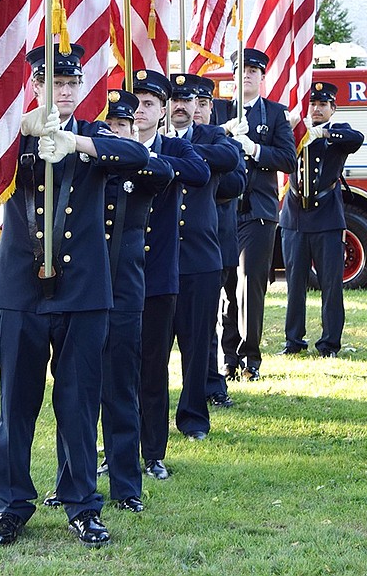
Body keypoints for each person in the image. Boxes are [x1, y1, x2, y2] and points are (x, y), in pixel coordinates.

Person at [0, 44, 148, 549]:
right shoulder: (11, 137)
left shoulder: (95, 135)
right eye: (54, 82)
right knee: (17, 404)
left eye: (72, 83)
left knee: (78, 403)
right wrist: (25, 133)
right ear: (35, 86)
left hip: (81, 293)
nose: (65, 90)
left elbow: (138, 155)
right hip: (20, 289)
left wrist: (75, 142)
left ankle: (82, 504)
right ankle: (12, 505)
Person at [127, 69, 210, 480]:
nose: (140, 111)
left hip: (158, 276)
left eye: (149, 104)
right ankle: (118, 451)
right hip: (117, 277)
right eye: (135, 103)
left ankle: (152, 452)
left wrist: (154, 160)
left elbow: (200, 174)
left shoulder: (176, 149)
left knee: (154, 369)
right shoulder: (113, 143)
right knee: (118, 370)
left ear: (162, 112)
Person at [98, 89, 174, 512]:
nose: (116, 133)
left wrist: (123, 152)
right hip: (86, 289)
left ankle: (126, 485)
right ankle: (71, 478)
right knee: (78, 390)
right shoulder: (87, 166)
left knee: (123, 386)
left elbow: (159, 171)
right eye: (109, 127)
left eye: (124, 127)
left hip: (126, 290)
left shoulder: (146, 168)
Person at [169, 73, 239, 439]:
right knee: (150, 349)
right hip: (158, 259)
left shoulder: (212, 138)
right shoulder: (152, 139)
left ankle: (194, 417)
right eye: (175, 98)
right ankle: (145, 419)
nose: (182, 105)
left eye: (190, 99)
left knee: (197, 346)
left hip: (200, 257)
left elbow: (230, 160)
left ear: (200, 105)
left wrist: (181, 152)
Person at [223, 48, 297, 381]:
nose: (247, 75)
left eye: (254, 70)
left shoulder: (276, 114)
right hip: (223, 210)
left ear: (263, 77)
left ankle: (249, 355)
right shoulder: (220, 112)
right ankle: (227, 356)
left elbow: (288, 160)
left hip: (258, 212)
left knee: (249, 284)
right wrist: (225, 133)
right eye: (242, 70)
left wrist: (254, 148)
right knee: (224, 285)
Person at [279, 81, 364, 357]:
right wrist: (299, 129)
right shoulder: (294, 133)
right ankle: (293, 341)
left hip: (327, 218)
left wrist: (323, 133)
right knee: (294, 284)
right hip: (294, 218)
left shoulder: (337, 133)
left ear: (332, 109)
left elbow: (356, 138)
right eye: (313, 104)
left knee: (330, 284)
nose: (316, 108)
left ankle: (329, 343)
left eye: (322, 105)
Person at [193, 81, 247, 409]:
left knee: (207, 319)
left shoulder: (222, 141)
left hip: (214, 241)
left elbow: (236, 182)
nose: (196, 109)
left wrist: (195, 165)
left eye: (202, 103)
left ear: (212, 109)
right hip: (169, 245)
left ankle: (213, 384)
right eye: (187, 102)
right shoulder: (162, 139)